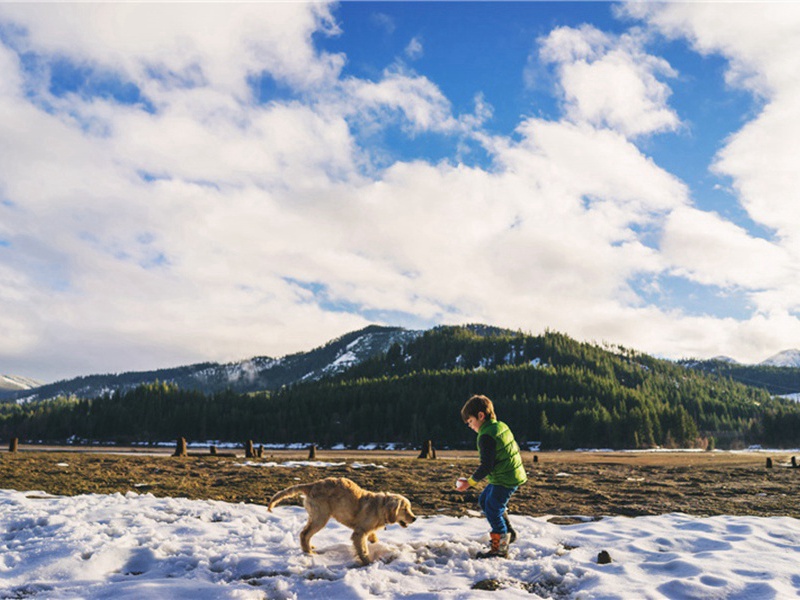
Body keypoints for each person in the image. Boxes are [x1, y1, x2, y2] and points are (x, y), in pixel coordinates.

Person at [456, 394, 527, 558]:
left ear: (481, 416)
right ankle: (508, 532)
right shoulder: (500, 426)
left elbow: (486, 466)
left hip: (505, 478)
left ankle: (500, 549)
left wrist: (470, 482)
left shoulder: (486, 435)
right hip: (506, 474)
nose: (470, 426)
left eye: (471, 422)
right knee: (484, 500)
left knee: (494, 509)